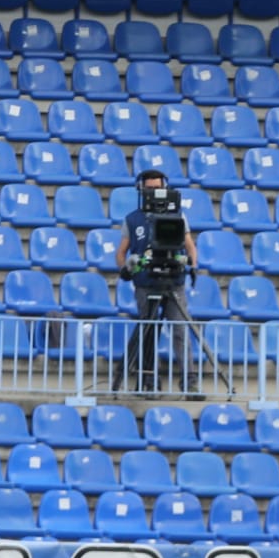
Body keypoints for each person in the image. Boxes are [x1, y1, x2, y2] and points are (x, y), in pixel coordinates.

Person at [114, 167, 199, 395]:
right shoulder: (132, 219)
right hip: (145, 282)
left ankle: (189, 381)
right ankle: (149, 380)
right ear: (141, 189)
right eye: (149, 188)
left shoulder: (178, 215)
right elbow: (121, 252)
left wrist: (192, 263)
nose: (153, 192)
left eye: (157, 188)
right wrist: (126, 267)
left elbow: (190, 246)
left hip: (174, 281)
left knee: (180, 330)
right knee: (148, 331)